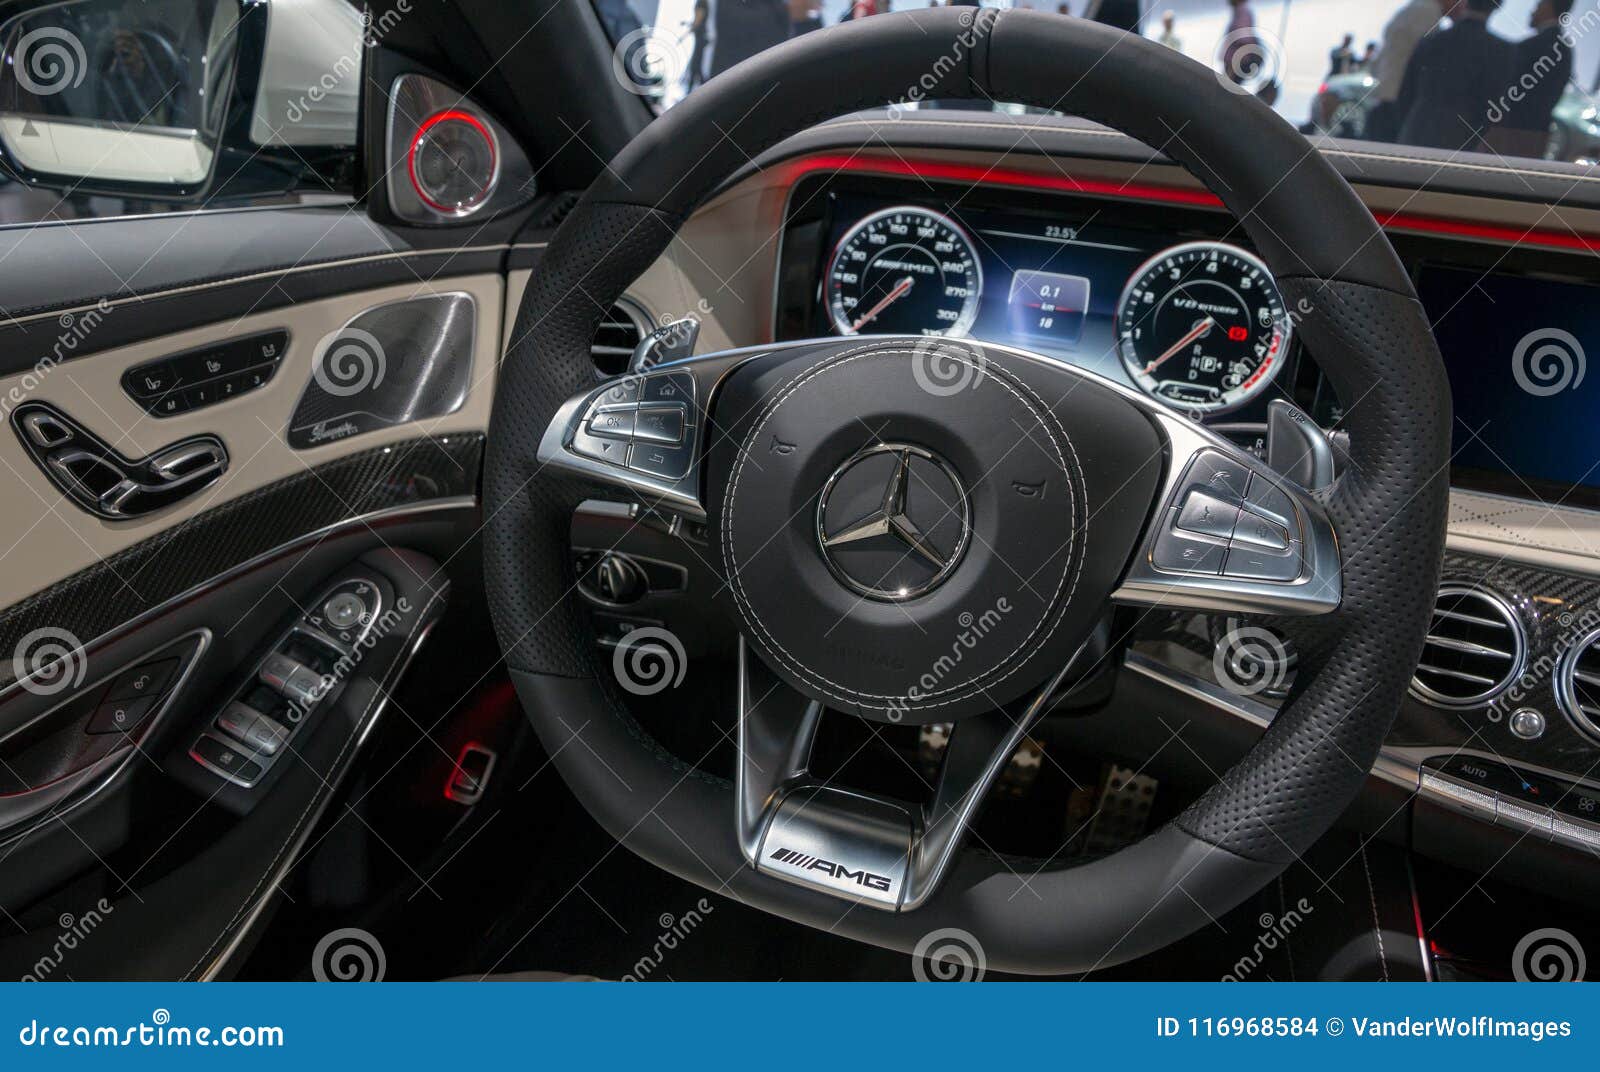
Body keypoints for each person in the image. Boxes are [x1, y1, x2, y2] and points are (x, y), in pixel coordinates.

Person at [1394, 0, 1510, 152]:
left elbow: (1405, 94)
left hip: (1414, 134)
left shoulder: (1431, 40)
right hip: (1464, 144)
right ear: (1497, 6)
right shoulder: (1503, 51)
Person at [1489, 0, 1574, 156]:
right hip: (1537, 138)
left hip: (1512, 136)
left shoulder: (1532, 47)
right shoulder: (1564, 49)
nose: (1532, 11)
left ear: (1548, 7)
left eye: (1538, 5)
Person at [1365, 0, 1447, 141]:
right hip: (1401, 107)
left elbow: (1376, 64)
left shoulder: (1409, 10)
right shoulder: (1428, 13)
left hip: (1384, 102)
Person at [1219, 0, 1262, 87]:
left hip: (1236, 62)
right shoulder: (1240, 12)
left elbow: (1243, 38)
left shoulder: (1243, 13)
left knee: (1227, 88)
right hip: (1235, 61)